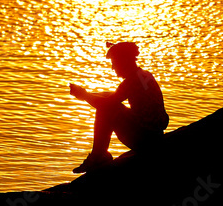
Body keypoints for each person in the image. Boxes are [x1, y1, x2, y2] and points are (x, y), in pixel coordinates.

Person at [69, 42, 169, 173]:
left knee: (106, 108)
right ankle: (99, 154)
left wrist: (84, 95)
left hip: (145, 140)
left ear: (124, 61)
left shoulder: (132, 82)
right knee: (107, 97)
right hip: (154, 134)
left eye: (114, 63)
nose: (112, 68)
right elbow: (111, 97)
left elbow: (106, 105)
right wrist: (87, 94)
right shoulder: (144, 75)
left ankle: (98, 155)